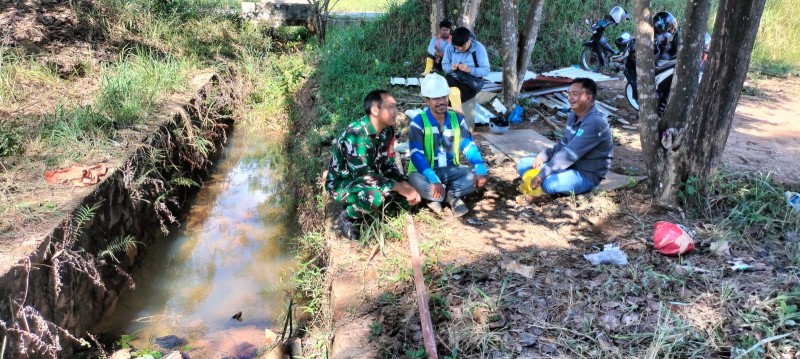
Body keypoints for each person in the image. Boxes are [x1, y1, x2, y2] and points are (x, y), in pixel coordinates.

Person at [326, 90, 422, 240]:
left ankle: (372, 211)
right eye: (390, 107)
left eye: (395, 107)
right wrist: (398, 187)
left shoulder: (387, 131)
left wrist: (403, 182)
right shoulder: (355, 135)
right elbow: (364, 177)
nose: (396, 112)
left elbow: (387, 163)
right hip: (345, 183)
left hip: (371, 177)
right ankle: (348, 218)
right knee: (372, 197)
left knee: (410, 196)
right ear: (375, 110)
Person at [407, 74, 488, 217]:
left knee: (477, 176)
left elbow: (468, 145)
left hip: (451, 171)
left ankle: (435, 196)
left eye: (444, 97)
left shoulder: (457, 119)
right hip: (425, 173)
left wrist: (479, 166)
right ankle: (450, 197)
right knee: (414, 181)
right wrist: (432, 178)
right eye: (436, 98)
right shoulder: (418, 123)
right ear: (427, 101)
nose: (442, 102)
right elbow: (416, 154)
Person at [516, 78, 613, 197]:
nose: (570, 97)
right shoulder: (573, 115)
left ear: (588, 97)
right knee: (523, 163)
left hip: (585, 174)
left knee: (548, 183)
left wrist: (542, 174)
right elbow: (563, 144)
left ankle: (542, 193)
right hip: (568, 166)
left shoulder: (595, 122)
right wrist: (543, 156)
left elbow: (569, 154)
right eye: (569, 93)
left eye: (575, 94)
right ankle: (542, 188)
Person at [442, 27, 490, 130]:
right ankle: (449, 125)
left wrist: (470, 69)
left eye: (462, 47)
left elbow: (486, 70)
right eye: (457, 47)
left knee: (463, 97)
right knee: (444, 93)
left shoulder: (479, 48)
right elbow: (444, 65)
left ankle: (465, 126)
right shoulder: (450, 48)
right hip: (454, 77)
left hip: (471, 81)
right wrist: (451, 67)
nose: (459, 49)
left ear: (469, 40)